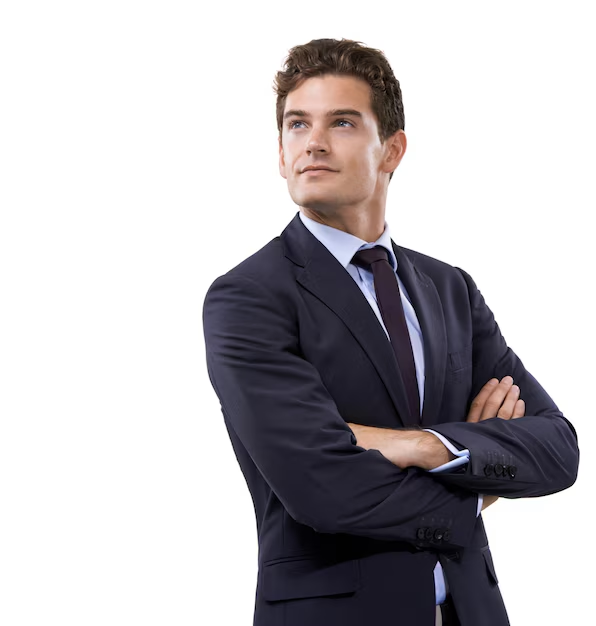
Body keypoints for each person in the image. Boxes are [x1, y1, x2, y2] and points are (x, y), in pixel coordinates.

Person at [201, 38, 579, 626]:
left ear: (392, 150)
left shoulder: (450, 288)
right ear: (280, 152)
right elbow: (321, 488)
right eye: (297, 124)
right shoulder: (249, 296)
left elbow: (557, 448)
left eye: (342, 122)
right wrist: (477, 480)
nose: (313, 142)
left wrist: (427, 445)